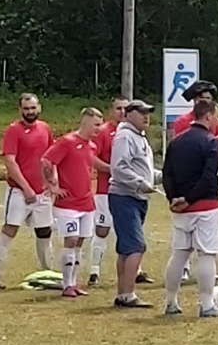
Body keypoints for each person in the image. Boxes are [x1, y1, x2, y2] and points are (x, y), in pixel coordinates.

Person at [160, 95, 218, 318]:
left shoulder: (176, 142)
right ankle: (206, 304)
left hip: (181, 208)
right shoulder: (211, 142)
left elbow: (167, 174)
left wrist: (174, 198)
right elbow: (209, 178)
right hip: (205, 206)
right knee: (207, 254)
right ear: (208, 115)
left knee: (179, 254)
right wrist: (190, 198)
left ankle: (171, 302)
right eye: (215, 117)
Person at [0, 92, 54, 288]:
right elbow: (10, 161)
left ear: (39, 108)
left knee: (44, 232)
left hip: (42, 192)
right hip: (19, 191)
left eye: (33, 108)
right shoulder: (13, 130)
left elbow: (50, 157)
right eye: (26, 109)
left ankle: (47, 275)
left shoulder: (45, 128)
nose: (30, 112)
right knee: (10, 229)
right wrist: (26, 188)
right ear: (20, 110)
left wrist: (52, 181)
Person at [42, 107, 103, 298]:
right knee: (71, 240)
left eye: (100, 125)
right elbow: (46, 161)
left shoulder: (91, 146)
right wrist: (51, 185)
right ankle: (67, 284)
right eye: (96, 125)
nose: (98, 129)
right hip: (68, 204)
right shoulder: (67, 142)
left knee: (80, 243)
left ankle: (74, 282)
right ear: (85, 122)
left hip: (86, 202)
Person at [105, 98, 157, 307]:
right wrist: (139, 183)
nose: (146, 116)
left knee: (126, 248)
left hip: (135, 197)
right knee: (136, 246)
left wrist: (160, 177)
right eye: (141, 112)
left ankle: (123, 293)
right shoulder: (126, 136)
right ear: (128, 115)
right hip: (125, 196)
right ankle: (128, 294)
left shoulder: (139, 137)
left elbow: (142, 169)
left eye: (148, 112)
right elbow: (118, 168)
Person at [87, 101, 121, 285]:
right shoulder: (103, 132)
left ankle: (136, 270)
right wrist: (111, 169)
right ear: (111, 111)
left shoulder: (134, 132)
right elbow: (91, 156)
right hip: (105, 189)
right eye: (118, 108)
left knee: (129, 229)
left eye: (126, 108)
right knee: (102, 229)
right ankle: (94, 270)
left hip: (128, 190)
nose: (122, 112)